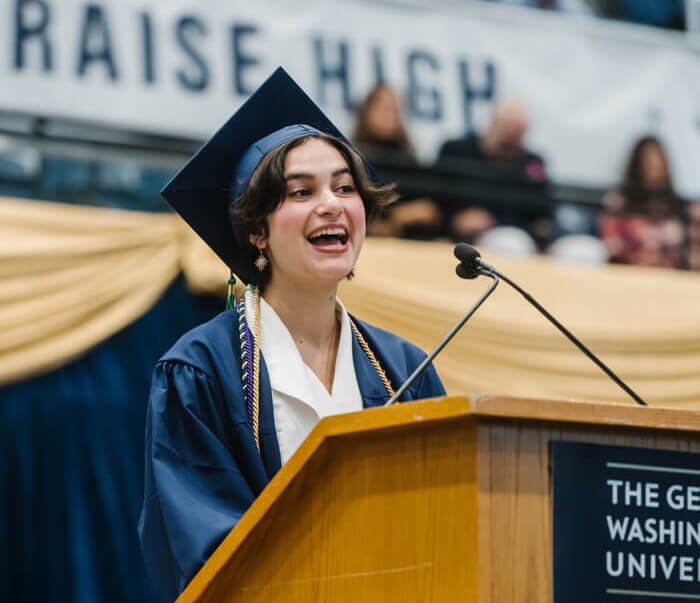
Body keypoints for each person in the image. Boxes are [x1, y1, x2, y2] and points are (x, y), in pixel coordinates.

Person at [137, 68, 446, 602]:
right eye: (301, 191)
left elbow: (444, 524)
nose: (331, 203)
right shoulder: (201, 371)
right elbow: (203, 547)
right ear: (257, 231)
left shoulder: (405, 369)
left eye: (345, 188)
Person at [438, 99, 552, 249]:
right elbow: (435, 198)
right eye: (506, 129)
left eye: (516, 133)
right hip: (459, 237)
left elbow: (543, 214)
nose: (509, 139)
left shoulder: (532, 163)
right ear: (493, 122)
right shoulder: (456, 151)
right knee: (510, 244)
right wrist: (455, 219)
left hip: (516, 236)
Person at [353, 83, 443, 240]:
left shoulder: (408, 162)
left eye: (396, 110)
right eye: (384, 108)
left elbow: (429, 210)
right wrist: (396, 219)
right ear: (366, 112)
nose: (390, 116)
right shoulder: (354, 158)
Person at [599, 136, 686, 269]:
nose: (653, 170)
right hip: (627, 273)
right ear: (637, 165)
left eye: (657, 164)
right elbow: (610, 246)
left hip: (666, 277)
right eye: (648, 163)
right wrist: (636, 242)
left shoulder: (676, 207)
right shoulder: (619, 202)